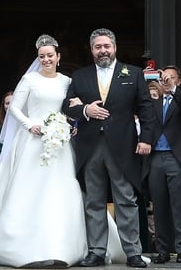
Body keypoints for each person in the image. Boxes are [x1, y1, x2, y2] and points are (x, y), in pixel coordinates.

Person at [0, 34, 127, 267]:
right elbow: (15, 109)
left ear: (58, 57)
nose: (46, 60)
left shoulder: (66, 81)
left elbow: (71, 106)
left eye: (50, 56)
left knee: (65, 189)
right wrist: (30, 124)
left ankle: (67, 245)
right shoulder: (30, 80)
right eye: (42, 56)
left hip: (59, 141)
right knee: (28, 189)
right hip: (33, 139)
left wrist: (72, 123)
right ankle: (20, 245)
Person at [63, 28, 157, 268]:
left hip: (123, 146)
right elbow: (66, 106)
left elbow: (146, 108)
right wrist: (85, 110)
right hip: (90, 145)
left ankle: (133, 253)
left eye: (106, 46)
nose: (102, 50)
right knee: (93, 201)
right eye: (98, 47)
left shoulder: (133, 73)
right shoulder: (80, 76)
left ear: (114, 47)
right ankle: (96, 251)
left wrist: (146, 139)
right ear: (91, 49)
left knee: (125, 198)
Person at [144, 65, 181, 264]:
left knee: (179, 206)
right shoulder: (152, 102)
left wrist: (173, 90)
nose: (167, 80)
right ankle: (162, 250)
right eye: (164, 77)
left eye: (171, 78)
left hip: (175, 158)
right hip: (155, 157)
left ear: (178, 81)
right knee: (159, 207)